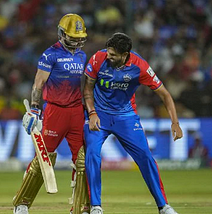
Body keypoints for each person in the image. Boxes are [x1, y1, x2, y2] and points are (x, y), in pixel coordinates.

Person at [83, 32, 183, 214]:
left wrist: (174, 122)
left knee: (145, 156)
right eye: (108, 52)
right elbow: (87, 89)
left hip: (126, 117)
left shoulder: (140, 66)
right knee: (92, 154)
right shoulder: (98, 58)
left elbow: (165, 95)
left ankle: (164, 206)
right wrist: (92, 113)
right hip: (98, 115)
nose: (108, 56)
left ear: (125, 54)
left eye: (113, 55)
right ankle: (96, 206)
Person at [14, 14, 89, 214]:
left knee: (83, 160)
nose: (77, 41)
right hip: (55, 111)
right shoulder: (50, 54)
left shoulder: (82, 55)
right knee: (44, 159)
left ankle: (82, 206)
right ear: (62, 34)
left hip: (76, 112)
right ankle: (22, 203)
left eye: (80, 37)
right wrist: (35, 109)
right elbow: (39, 83)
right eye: (73, 37)